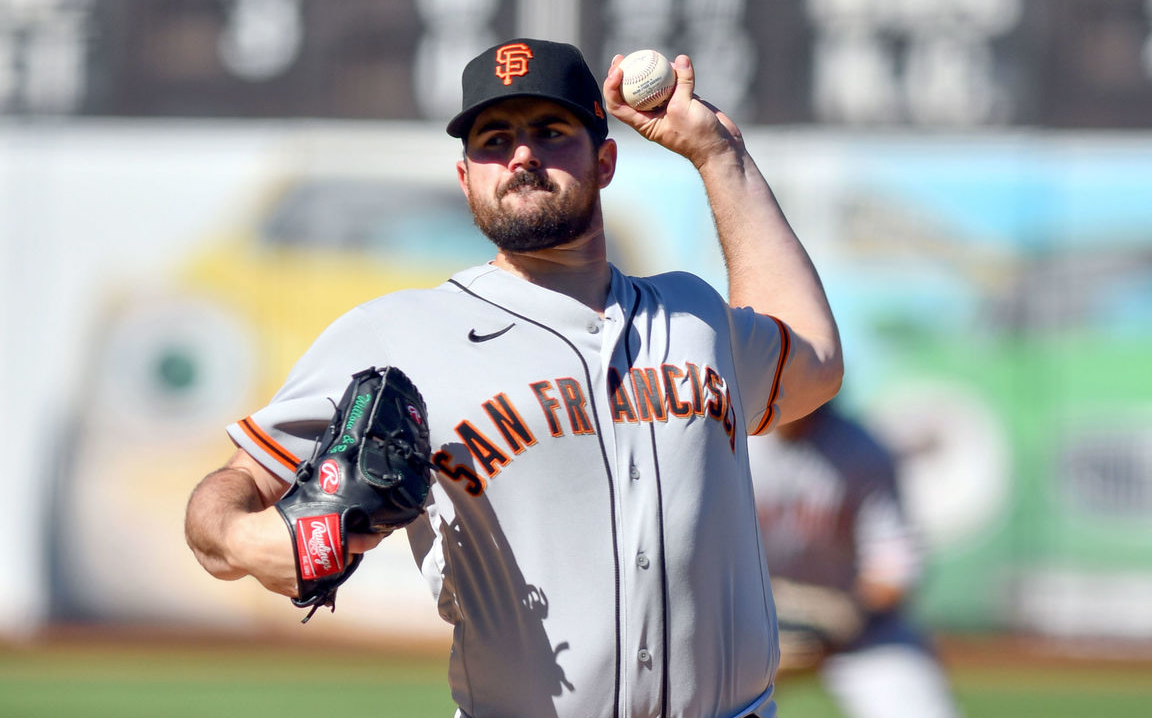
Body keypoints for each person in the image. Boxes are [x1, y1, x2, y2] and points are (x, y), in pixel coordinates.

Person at [184, 38, 842, 718]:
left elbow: (815, 363)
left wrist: (718, 154)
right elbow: (225, 497)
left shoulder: (694, 314)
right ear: (467, 177)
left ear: (606, 161)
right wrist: (244, 539)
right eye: (495, 139)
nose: (522, 156)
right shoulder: (399, 334)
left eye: (551, 133)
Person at [748, 402, 961, 718]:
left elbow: (894, 569)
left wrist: (842, 619)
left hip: (858, 626)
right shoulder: (725, 442)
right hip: (748, 625)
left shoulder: (863, 449)